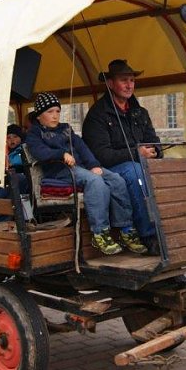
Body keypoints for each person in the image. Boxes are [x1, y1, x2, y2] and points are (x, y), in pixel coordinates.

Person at [25, 92, 147, 256]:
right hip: (60, 171)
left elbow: (83, 148)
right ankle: (100, 232)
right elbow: (40, 152)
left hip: (80, 168)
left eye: (57, 111)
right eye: (50, 112)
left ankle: (125, 228)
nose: (55, 116)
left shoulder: (66, 129)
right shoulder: (35, 133)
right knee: (96, 182)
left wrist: (94, 165)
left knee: (117, 180)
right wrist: (61, 154)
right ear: (39, 115)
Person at [81, 59, 163, 255]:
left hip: (141, 164)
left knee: (167, 170)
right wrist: (137, 154)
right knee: (134, 171)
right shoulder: (97, 115)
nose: (129, 85)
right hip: (109, 169)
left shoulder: (140, 113)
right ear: (110, 84)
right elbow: (101, 155)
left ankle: (173, 227)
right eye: (124, 80)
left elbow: (155, 141)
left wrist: (156, 152)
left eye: (132, 80)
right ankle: (149, 235)